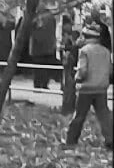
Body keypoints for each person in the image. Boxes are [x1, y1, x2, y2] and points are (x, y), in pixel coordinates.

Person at [64, 22, 113, 150]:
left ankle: (71, 140)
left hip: (86, 88)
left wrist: (77, 79)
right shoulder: (106, 51)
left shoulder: (84, 51)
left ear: (86, 37)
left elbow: (83, 70)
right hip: (101, 87)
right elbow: (110, 69)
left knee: (79, 115)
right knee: (104, 115)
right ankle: (110, 140)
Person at [29, 8, 57, 89]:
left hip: (38, 47)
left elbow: (32, 30)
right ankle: (44, 84)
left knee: (38, 68)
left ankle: (38, 85)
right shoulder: (51, 17)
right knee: (46, 67)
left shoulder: (36, 17)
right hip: (47, 47)